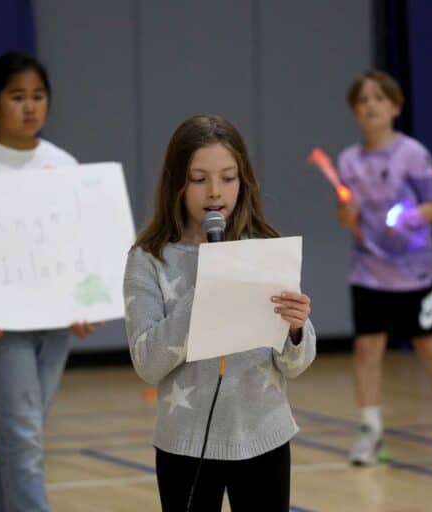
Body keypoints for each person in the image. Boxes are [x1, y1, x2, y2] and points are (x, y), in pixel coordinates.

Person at [123, 115, 316, 511]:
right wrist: (204, 292)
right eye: (199, 179)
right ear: (176, 182)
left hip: (265, 436)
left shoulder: (264, 247)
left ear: (243, 181)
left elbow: (294, 365)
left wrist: (297, 329)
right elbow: (147, 362)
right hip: (186, 444)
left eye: (228, 178)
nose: (215, 192)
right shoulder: (149, 260)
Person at [0, 51, 97, 511]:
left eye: (38, 96)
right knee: (24, 437)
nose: (30, 107)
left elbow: (80, 245)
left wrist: (85, 302)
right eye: (18, 97)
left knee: (22, 435)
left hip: (54, 325)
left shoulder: (64, 164)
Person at [336, 70, 432, 465]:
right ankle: (370, 431)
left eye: (379, 98)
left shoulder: (413, 154)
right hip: (369, 271)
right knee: (367, 348)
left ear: (395, 107)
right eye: (363, 100)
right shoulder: (348, 160)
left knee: (431, 347)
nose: (371, 105)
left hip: (416, 271)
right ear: (355, 111)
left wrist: (409, 215)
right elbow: (345, 217)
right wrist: (347, 214)